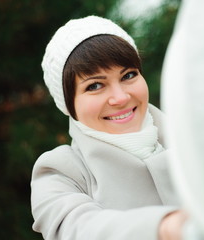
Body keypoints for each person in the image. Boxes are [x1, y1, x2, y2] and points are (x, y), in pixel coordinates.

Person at [31, 15, 187, 240]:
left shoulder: (197, 141)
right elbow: (77, 229)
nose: (120, 97)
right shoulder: (61, 171)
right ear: (68, 103)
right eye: (95, 85)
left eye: (128, 75)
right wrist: (165, 227)